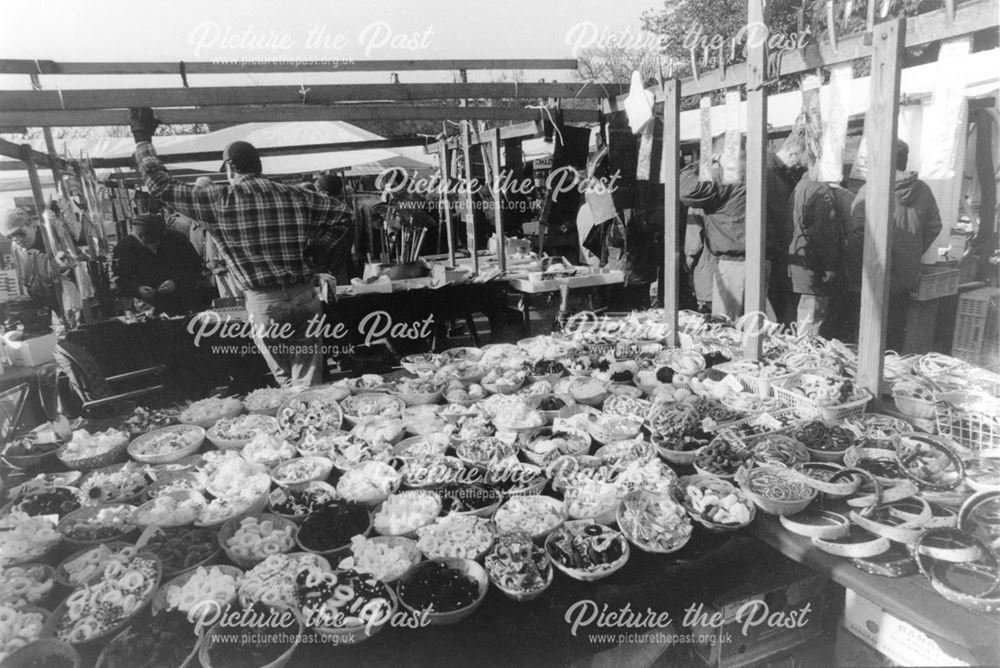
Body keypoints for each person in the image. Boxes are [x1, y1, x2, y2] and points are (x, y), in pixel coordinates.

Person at [129, 107, 354, 387]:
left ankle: (304, 416)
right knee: (306, 379)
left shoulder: (218, 200)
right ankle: (309, 414)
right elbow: (345, 215)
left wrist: (142, 138)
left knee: (289, 381)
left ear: (230, 168)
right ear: (258, 166)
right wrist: (319, 249)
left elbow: (160, 186)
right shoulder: (295, 194)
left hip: (264, 304)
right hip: (304, 296)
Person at [679, 138, 793, 323]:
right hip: (764, 261)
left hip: (734, 263)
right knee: (757, 327)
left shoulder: (728, 174)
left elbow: (685, 189)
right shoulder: (769, 174)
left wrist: (704, 163)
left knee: (727, 328)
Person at [846, 139, 942, 352]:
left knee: (867, 335)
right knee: (895, 334)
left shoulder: (871, 188)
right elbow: (935, 225)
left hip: (875, 272)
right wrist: (913, 250)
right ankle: (889, 378)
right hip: (906, 274)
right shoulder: (923, 190)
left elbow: (856, 229)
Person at [113, 213, 207, 316]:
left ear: (164, 232)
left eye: (158, 241)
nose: (155, 249)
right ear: (139, 236)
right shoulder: (123, 248)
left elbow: (196, 267)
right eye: (150, 243)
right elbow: (119, 280)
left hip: (183, 304)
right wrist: (137, 289)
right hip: (145, 310)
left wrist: (177, 282)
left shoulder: (177, 239)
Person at [0, 208, 77, 316]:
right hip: (49, 311)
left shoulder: (53, 240)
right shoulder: (16, 248)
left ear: (33, 225)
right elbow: (26, 280)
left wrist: (66, 268)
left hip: (71, 306)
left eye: (21, 234)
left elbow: (75, 271)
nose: (17, 239)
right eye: (11, 236)